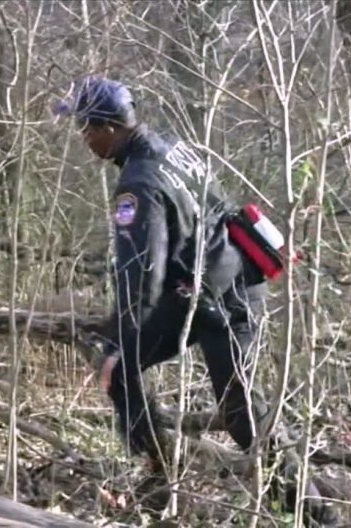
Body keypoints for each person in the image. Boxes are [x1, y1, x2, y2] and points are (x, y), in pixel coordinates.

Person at [55, 77, 335, 524]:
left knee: (240, 413)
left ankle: (315, 515)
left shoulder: (139, 183)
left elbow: (142, 274)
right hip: (200, 291)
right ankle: (160, 473)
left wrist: (122, 340)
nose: (84, 139)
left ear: (107, 127)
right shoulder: (170, 149)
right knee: (119, 371)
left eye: (86, 129)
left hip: (227, 298)